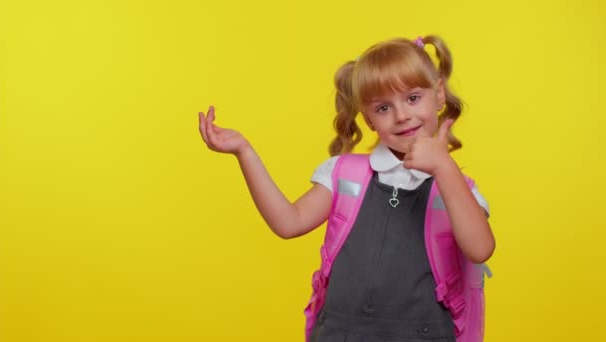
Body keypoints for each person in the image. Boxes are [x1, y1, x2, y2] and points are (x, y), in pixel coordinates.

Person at [198, 35, 495, 342]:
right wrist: (244, 151)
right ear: (367, 119)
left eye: (413, 98)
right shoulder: (344, 175)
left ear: (439, 96)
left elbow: (481, 248)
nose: (402, 115)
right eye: (383, 107)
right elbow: (289, 223)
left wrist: (443, 167)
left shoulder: (456, 190)